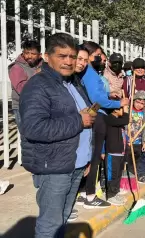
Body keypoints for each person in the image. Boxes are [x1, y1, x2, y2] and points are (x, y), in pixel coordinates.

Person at [19, 33, 95, 237]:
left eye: (72, 56)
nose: (68, 61)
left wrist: (87, 156)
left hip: (76, 164)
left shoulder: (73, 83)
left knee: (63, 218)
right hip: (54, 167)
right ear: (46, 56)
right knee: (50, 223)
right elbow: (35, 128)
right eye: (62, 56)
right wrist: (78, 121)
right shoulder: (38, 85)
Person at [77, 41, 129, 209]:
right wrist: (118, 103)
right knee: (94, 157)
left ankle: (84, 191)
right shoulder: (90, 73)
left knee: (91, 154)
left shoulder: (89, 72)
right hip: (97, 116)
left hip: (94, 113)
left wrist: (108, 93)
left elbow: (98, 94)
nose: (100, 57)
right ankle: (90, 196)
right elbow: (97, 99)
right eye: (97, 54)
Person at [8, 40, 42, 127]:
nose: (29, 56)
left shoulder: (44, 66)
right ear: (23, 53)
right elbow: (22, 89)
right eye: (27, 53)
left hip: (41, 105)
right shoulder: (16, 67)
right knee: (27, 136)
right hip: (23, 107)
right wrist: (36, 75)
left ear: (39, 55)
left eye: (33, 54)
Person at [104, 104, 129, 205]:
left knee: (118, 174)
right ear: (115, 110)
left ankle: (116, 190)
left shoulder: (118, 120)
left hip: (120, 153)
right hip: (113, 153)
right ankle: (111, 195)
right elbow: (126, 120)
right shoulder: (110, 119)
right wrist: (126, 111)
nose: (124, 111)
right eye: (122, 108)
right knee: (112, 175)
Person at [125, 91, 145, 183]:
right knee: (128, 160)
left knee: (141, 157)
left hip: (139, 141)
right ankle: (129, 175)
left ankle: (141, 174)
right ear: (133, 101)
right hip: (128, 140)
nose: (139, 105)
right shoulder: (127, 110)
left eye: (142, 103)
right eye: (138, 102)